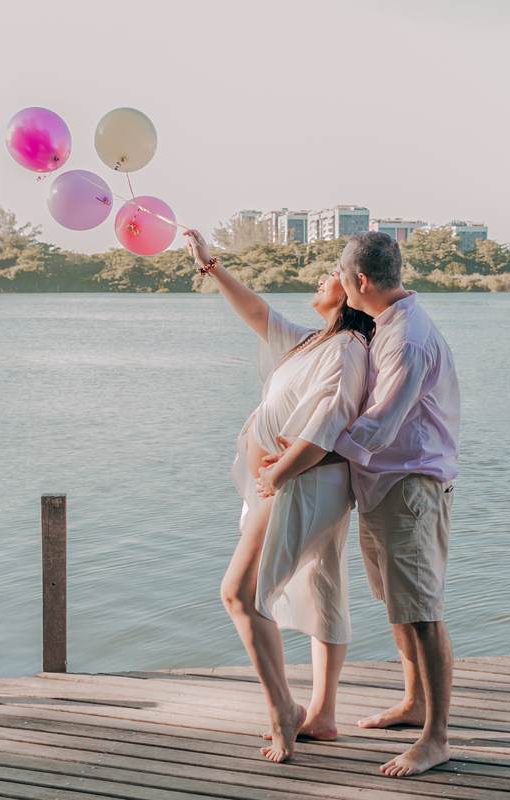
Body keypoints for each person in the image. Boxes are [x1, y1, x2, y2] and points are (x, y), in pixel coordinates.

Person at [269, 230, 460, 777]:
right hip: (384, 486)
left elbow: (378, 427)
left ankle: (437, 737)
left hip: (411, 488)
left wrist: (310, 455)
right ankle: (414, 701)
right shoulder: (384, 326)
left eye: (340, 272)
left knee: (422, 612)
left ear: (361, 281)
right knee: (399, 604)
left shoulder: (406, 340)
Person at [185, 229, 373, 763]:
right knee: (322, 583)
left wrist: (278, 473)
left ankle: (283, 714)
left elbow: (328, 425)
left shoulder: (349, 349)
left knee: (239, 593)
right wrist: (211, 266)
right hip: (297, 481)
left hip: (300, 482)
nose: (321, 276)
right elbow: (259, 314)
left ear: (353, 291)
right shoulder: (318, 340)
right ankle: (324, 715)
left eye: (332, 273)